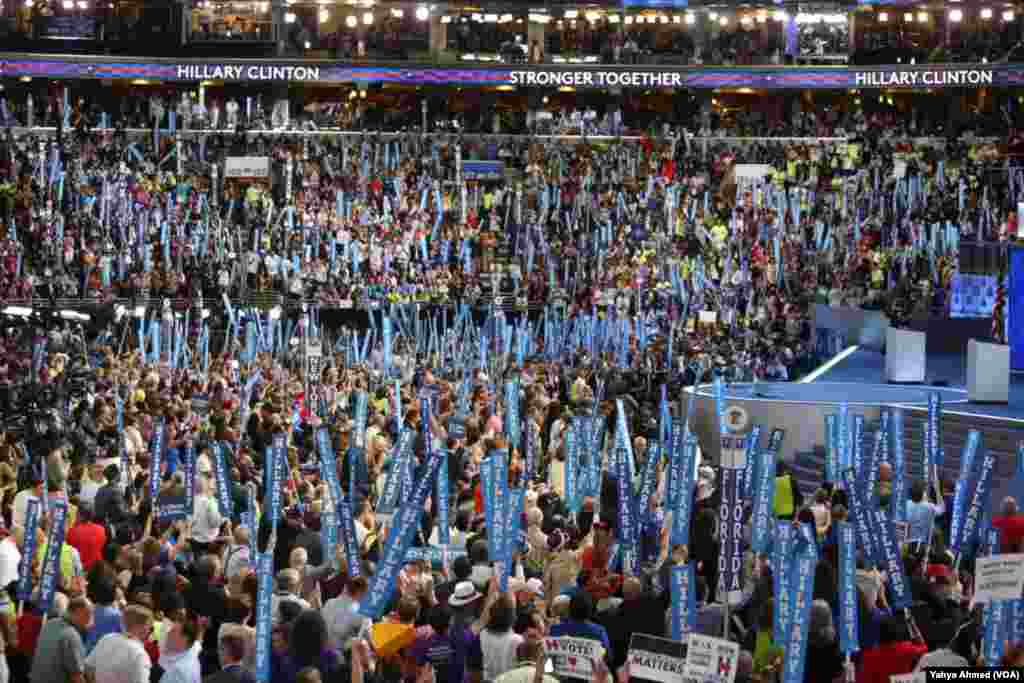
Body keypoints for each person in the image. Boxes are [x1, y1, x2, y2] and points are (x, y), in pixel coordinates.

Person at [30, 595, 94, 683]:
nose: (90, 621)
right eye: (88, 615)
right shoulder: (71, 635)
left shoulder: (50, 624)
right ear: (78, 612)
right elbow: (77, 677)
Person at [84, 604, 154, 683]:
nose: (149, 630)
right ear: (143, 627)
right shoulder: (140, 654)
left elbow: (88, 667)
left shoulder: (107, 638)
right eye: (149, 626)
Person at [159, 616, 204, 683]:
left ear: (184, 639)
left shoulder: (179, 671)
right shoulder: (190, 657)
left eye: (173, 631)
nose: (168, 633)